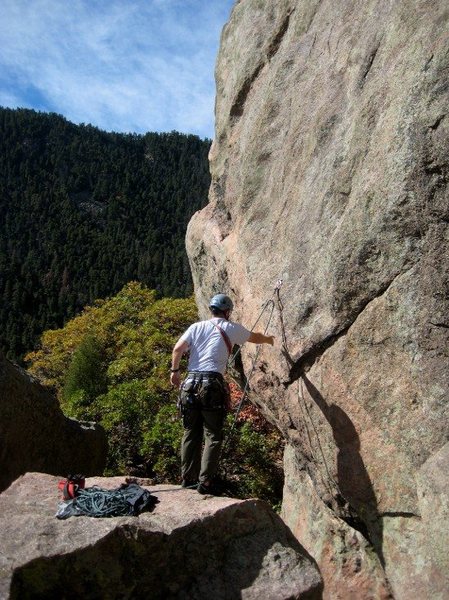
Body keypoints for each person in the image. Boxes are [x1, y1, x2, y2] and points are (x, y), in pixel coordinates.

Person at [170, 293, 274, 494]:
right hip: (211, 384)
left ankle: (186, 478)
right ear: (227, 312)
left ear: (211, 309)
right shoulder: (230, 328)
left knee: (191, 432)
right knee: (213, 435)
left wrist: (175, 372)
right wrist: (269, 340)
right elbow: (255, 338)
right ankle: (205, 482)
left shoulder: (195, 327)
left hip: (190, 383)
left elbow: (177, 349)